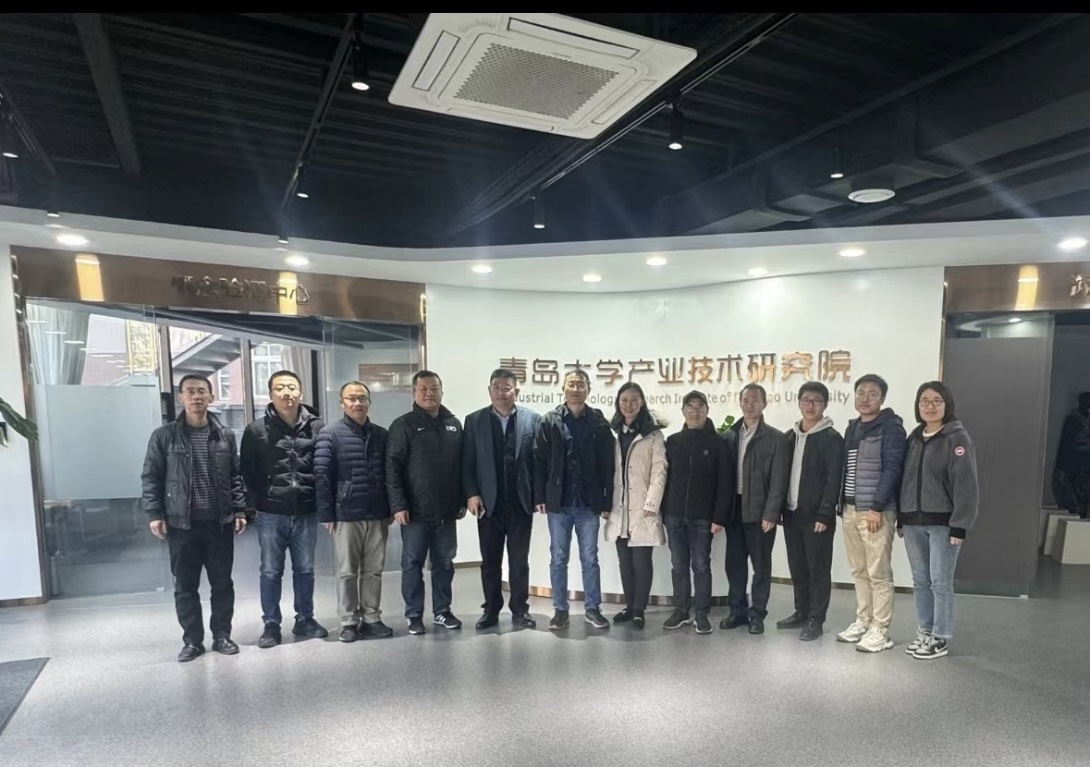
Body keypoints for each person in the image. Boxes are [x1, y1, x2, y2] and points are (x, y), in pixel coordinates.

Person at [141, 374, 246, 662]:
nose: (196, 396)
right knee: (185, 586)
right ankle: (192, 641)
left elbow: (235, 476)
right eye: (190, 392)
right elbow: (151, 476)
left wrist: (239, 509)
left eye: (202, 391)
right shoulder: (164, 436)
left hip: (218, 523)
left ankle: (222, 635)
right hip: (181, 524)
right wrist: (154, 513)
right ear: (181, 398)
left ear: (211, 397)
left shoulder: (224, 435)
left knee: (222, 583)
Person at [241, 370, 327, 649]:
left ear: (300, 392)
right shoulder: (256, 430)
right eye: (280, 388)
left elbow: (324, 466)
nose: (286, 392)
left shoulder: (317, 427)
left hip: (306, 510)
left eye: (292, 387)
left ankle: (305, 619)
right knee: (270, 570)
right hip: (270, 513)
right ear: (270, 394)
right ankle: (271, 624)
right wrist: (259, 501)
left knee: (305, 569)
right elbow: (247, 471)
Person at [898, 381, 979, 660]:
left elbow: (966, 484)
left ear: (947, 405)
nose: (929, 406)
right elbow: (905, 480)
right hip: (912, 522)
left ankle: (940, 636)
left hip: (943, 524)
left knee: (940, 582)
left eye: (936, 401)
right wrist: (902, 517)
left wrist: (960, 524)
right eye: (924, 401)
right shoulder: (914, 438)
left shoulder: (957, 437)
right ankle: (925, 629)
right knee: (920, 581)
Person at [533, 369, 615, 632]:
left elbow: (608, 465)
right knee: (558, 558)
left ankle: (593, 608)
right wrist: (540, 496)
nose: (576, 389)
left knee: (590, 558)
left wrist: (606, 501)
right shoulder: (549, 421)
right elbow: (539, 461)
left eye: (581, 385)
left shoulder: (599, 422)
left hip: (589, 504)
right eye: (572, 384)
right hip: (559, 503)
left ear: (588, 389)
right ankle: (560, 610)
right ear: (563, 388)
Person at [386, 370, 465, 635]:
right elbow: (392, 468)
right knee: (412, 564)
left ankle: (443, 611)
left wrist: (462, 499)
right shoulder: (403, 425)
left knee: (445, 563)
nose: (429, 393)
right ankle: (414, 614)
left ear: (442, 391)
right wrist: (398, 505)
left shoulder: (453, 424)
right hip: (414, 513)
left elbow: (462, 466)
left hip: (446, 511)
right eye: (423, 389)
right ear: (414, 392)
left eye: (434, 388)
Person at [315, 381, 394, 643]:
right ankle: (348, 620)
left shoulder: (381, 435)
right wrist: (326, 514)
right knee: (347, 571)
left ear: (369, 402)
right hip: (346, 514)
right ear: (342, 403)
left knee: (373, 570)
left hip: (377, 513)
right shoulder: (330, 434)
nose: (357, 403)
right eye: (352, 398)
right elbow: (322, 475)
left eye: (362, 398)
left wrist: (392, 507)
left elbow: (391, 474)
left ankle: (371, 617)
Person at [463, 369, 540, 630]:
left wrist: (538, 496)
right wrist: (471, 494)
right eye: (495, 387)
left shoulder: (532, 420)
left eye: (506, 387)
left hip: (520, 503)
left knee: (519, 562)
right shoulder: (474, 421)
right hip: (488, 504)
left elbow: (538, 463)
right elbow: (467, 463)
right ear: (489, 391)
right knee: (490, 562)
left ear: (516, 391)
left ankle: (520, 609)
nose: (500, 392)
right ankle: (491, 610)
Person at [837, 373, 907, 653]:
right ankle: (863, 621)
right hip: (850, 509)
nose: (865, 398)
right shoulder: (852, 428)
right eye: (861, 393)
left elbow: (892, 469)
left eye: (872, 393)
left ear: (883, 398)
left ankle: (880, 629)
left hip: (876, 511)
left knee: (878, 573)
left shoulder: (891, 429)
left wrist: (877, 507)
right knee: (858, 570)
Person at [660, 390, 734, 635]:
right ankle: (681, 610)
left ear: (707, 410)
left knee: (701, 565)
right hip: (674, 515)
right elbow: (663, 479)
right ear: (683, 411)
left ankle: (702, 614)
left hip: (703, 517)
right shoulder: (673, 442)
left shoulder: (719, 444)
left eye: (699, 406)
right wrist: (663, 511)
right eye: (689, 406)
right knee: (678, 565)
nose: (694, 411)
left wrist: (719, 517)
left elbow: (725, 484)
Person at [776, 381, 844, 642]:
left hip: (817, 517)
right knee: (798, 567)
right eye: (806, 400)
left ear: (825, 404)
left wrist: (825, 513)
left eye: (816, 400)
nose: (810, 405)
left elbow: (833, 480)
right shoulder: (789, 437)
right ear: (799, 403)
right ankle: (801, 611)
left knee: (818, 569)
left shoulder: (832, 439)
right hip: (792, 513)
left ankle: (817, 619)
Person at [601, 382, 668, 629]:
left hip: (642, 508)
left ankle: (639, 610)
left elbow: (659, 471)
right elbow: (605, 472)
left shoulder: (653, 435)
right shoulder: (611, 434)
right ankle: (629, 607)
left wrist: (652, 502)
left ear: (642, 403)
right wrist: (604, 502)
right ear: (618, 403)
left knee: (641, 561)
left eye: (634, 400)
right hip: (618, 508)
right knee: (625, 562)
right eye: (624, 400)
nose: (629, 405)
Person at [722, 383, 788, 635]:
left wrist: (771, 513)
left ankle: (757, 614)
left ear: (764, 404)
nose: (749, 405)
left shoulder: (775, 438)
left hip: (760, 512)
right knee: (735, 565)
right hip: (734, 510)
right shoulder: (729, 436)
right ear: (740, 403)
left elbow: (779, 481)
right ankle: (737, 612)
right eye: (745, 400)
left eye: (755, 400)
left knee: (761, 567)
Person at [1053, 391, 1090, 519]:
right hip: (1070, 475)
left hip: (1081, 478)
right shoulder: (1073, 422)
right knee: (1073, 513)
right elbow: (1069, 450)